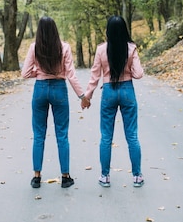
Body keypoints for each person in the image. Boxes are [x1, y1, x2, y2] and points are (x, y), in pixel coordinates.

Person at [21, 16, 87, 189]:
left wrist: (38, 71)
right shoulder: (64, 47)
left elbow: (25, 73)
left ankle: (36, 177)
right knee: (62, 134)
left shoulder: (34, 48)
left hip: (40, 89)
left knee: (39, 135)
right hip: (59, 89)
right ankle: (65, 177)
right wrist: (82, 96)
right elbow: (71, 74)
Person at [84, 15, 144, 188]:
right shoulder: (131, 48)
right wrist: (129, 67)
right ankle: (137, 176)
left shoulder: (101, 49)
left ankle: (105, 176)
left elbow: (95, 76)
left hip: (109, 92)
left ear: (108, 31)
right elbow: (139, 74)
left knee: (106, 136)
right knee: (132, 135)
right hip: (127, 91)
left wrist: (87, 96)